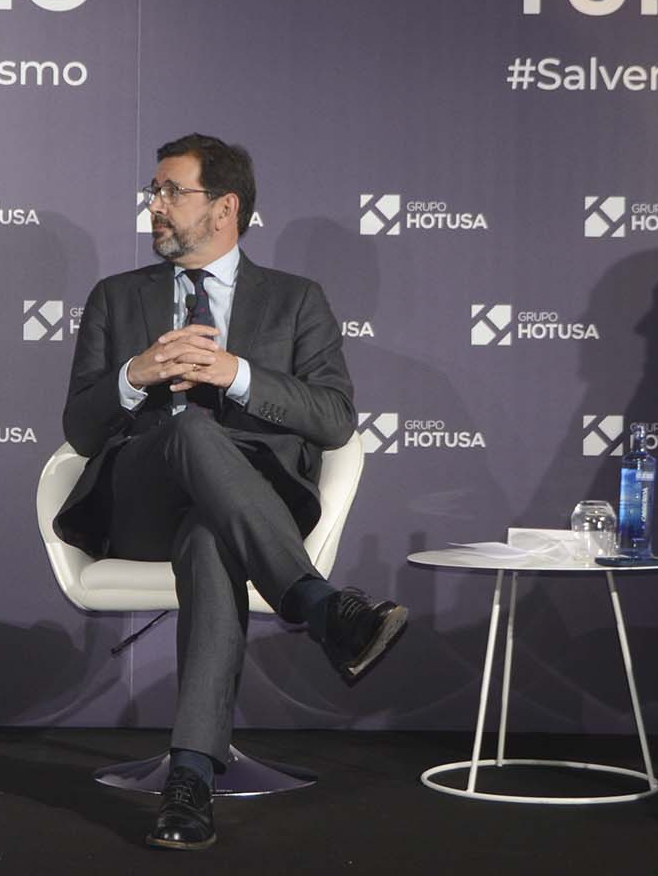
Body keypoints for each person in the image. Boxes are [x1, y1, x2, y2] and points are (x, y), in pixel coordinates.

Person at [53, 133, 407, 851]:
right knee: (186, 430)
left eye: (170, 191)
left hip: (249, 511)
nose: (154, 205)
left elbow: (335, 419)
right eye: (153, 191)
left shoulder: (296, 301)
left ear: (224, 208)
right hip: (143, 503)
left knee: (212, 540)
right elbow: (81, 430)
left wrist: (236, 374)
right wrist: (136, 375)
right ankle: (320, 605)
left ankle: (189, 780)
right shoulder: (116, 297)